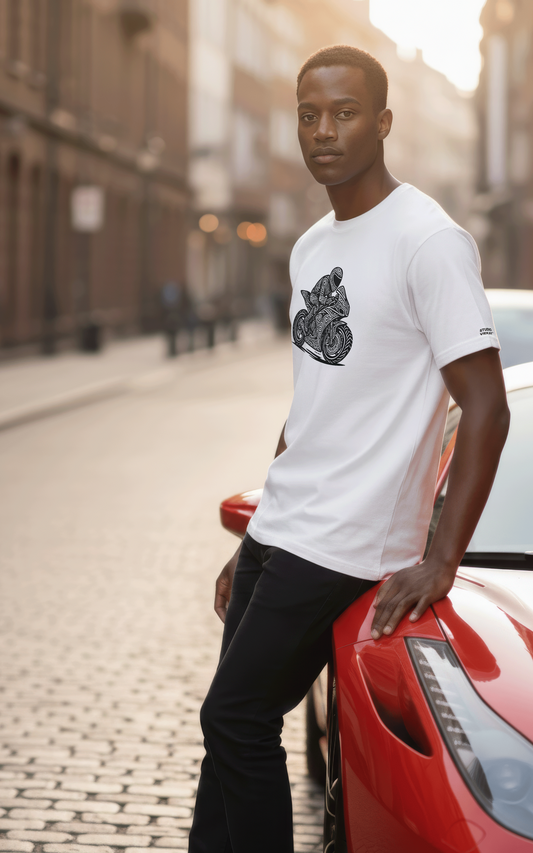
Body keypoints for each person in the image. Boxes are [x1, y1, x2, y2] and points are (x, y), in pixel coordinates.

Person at [188, 45, 510, 853]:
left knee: (235, 718)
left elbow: (486, 406)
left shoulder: (427, 241)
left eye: (343, 113)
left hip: (348, 540)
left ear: (383, 122)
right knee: (226, 739)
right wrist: (257, 528)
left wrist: (440, 557)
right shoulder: (311, 247)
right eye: (309, 115)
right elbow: (311, 408)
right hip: (288, 527)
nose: (323, 130)